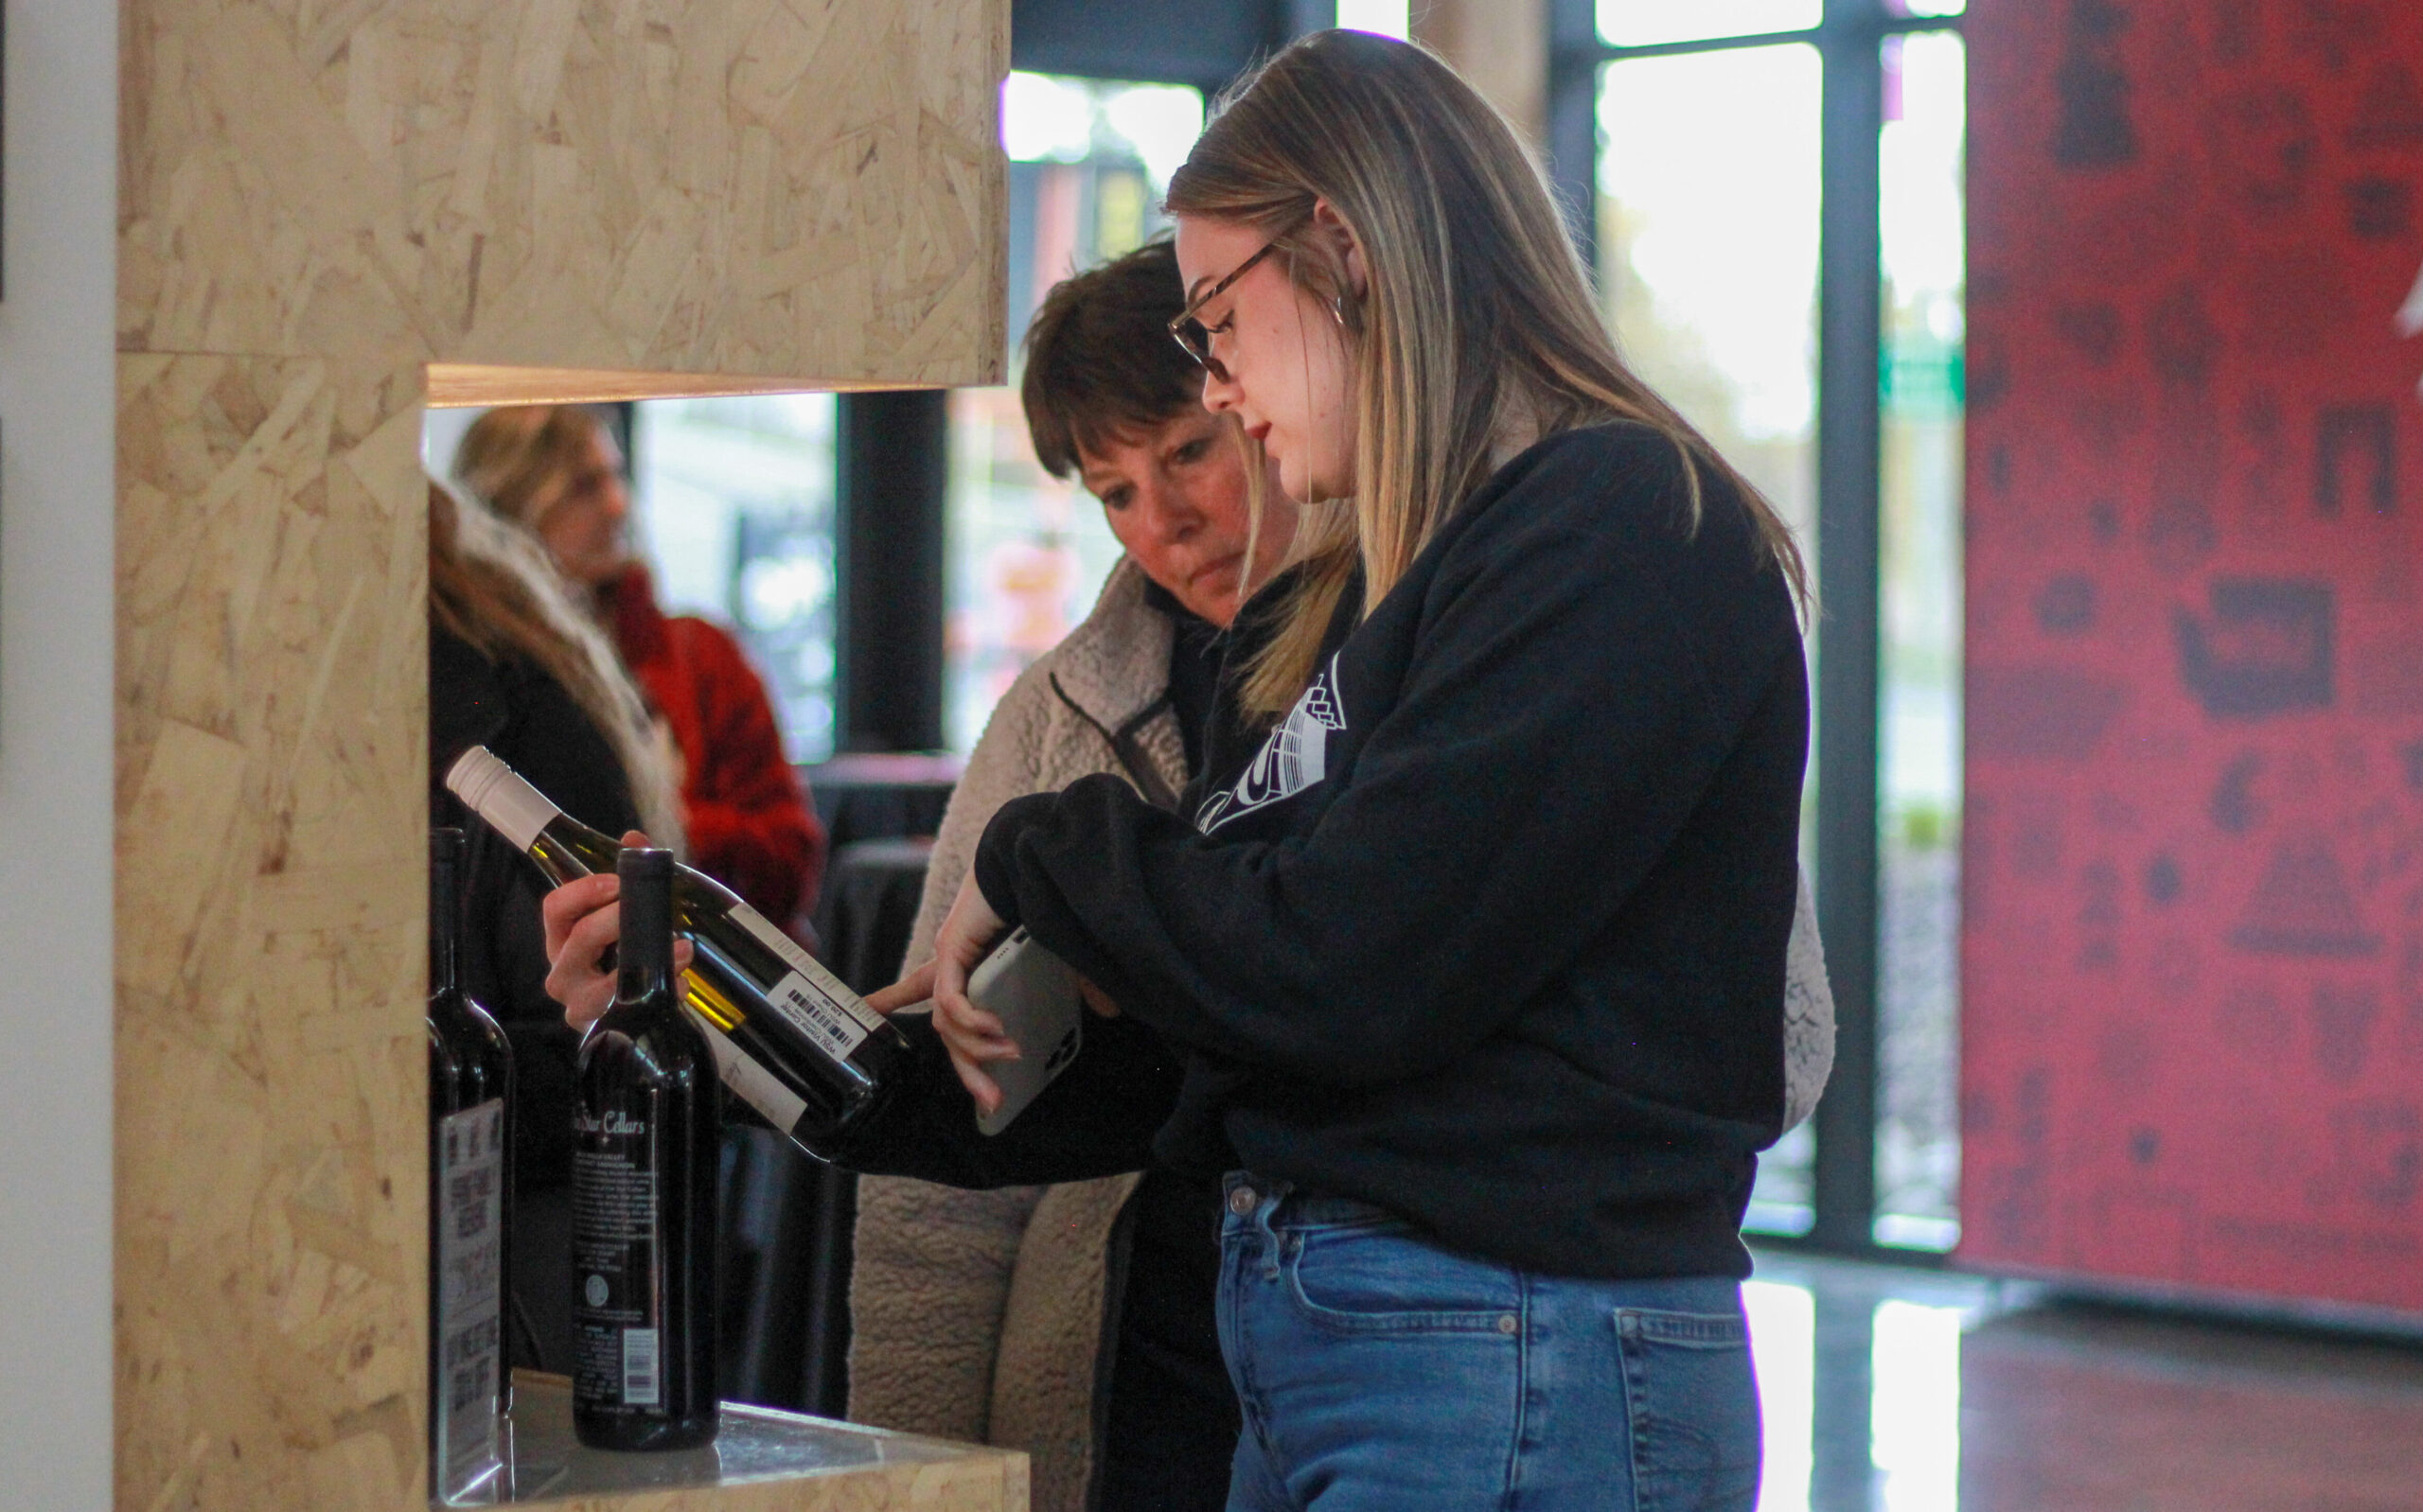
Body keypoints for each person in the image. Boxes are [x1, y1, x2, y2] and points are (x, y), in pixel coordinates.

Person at [539, 232, 1836, 1508]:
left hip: (1467, 1334)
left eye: (1200, 440)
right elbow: (987, 1089)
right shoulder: (1082, 712)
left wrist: (1074, 867)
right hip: (1205, 1370)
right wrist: (715, 1001)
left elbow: (1731, 1021)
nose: (1164, 520)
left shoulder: (1548, 574)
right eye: (1112, 490)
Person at [903, 31, 1812, 1509]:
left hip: (1510, 1348)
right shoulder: (1385, 588)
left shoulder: (1623, 521)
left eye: (1217, 321)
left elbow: (1346, 964)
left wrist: (1037, 854)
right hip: (1384, 1350)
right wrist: (782, 1032)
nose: (1221, 380)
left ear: (1344, 251)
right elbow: (1242, 1000)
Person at [426, 477, 686, 1379]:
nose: (617, 504)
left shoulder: (494, 714)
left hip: (527, 1240)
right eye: (587, 481)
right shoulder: (508, 666)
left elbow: (581, 1039)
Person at [454, 405, 825, 926]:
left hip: (723, 979)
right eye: (583, 487)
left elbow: (792, 861)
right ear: (516, 507)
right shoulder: (485, 686)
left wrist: (663, 830)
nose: (617, 505)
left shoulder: (702, 655)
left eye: (616, 476)